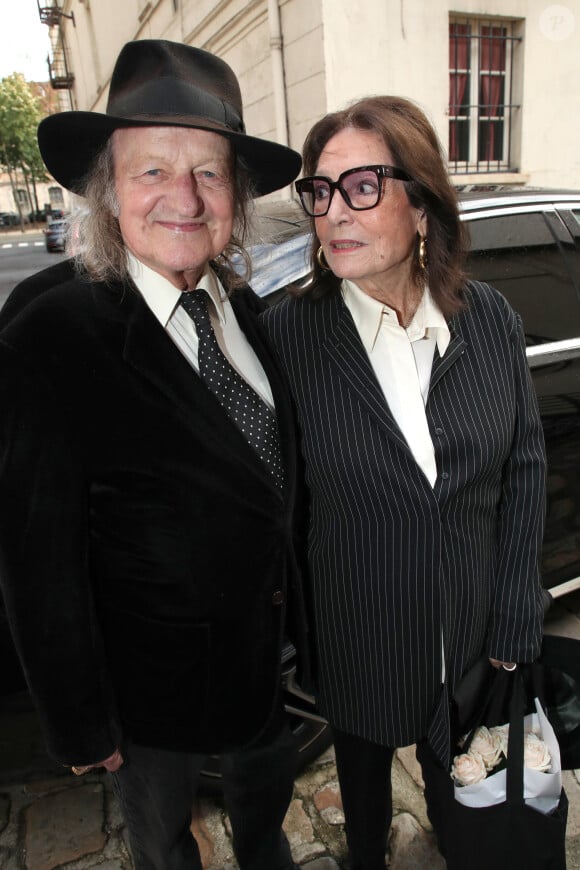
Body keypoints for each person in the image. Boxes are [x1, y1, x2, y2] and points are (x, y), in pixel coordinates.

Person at [0, 39, 308, 870]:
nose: (184, 197)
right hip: (150, 712)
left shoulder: (238, 305)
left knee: (265, 826)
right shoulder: (51, 338)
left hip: (260, 676)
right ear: (107, 192)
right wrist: (81, 723)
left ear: (237, 198)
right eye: (151, 171)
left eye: (209, 172)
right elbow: (38, 563)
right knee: (166, 849)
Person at [261, 95, 547, 869]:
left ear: (421, 207)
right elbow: (276, 504)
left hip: (471, 630)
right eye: (320, 191)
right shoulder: (288, 334)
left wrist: (517, 617)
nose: (334, 212)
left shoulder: (487, 317)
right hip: (360, 633)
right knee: (362, 798)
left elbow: (523, 467)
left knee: (467, 796)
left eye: (363, 186)